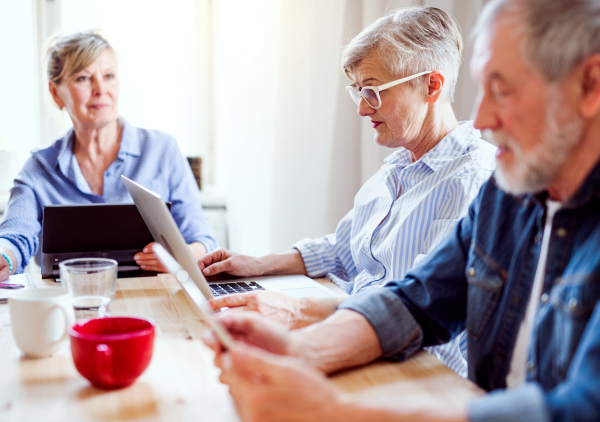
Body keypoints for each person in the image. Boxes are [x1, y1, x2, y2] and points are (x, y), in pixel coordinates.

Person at [204, 0, 600, 420]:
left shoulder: (483, 177)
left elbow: (578, 409)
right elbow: (414, 300)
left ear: (590, 85)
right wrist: (304, 349)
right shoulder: (507, 198)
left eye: (501, 90)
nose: (480, 118)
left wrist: (336, 410)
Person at [199, 6, 496, 378]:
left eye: (372, 91)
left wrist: (296, 309)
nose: (360, 108)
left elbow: (417, 306)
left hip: (414, 370)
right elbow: (342, 249)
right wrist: (260, 264)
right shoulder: (397, 169)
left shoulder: (471, 181)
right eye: (357, 91)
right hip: (354, 332)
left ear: (431, 86)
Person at [0, 31, 216, 282]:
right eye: (83, 78)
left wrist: (180, 257)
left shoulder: (162, 150)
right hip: (72, 304)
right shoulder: (39, 168)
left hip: (157, 301)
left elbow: (202, 240)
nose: (100, 90)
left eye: (109, 76)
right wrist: (4, 257)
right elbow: (15, 237)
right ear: (56, 92)